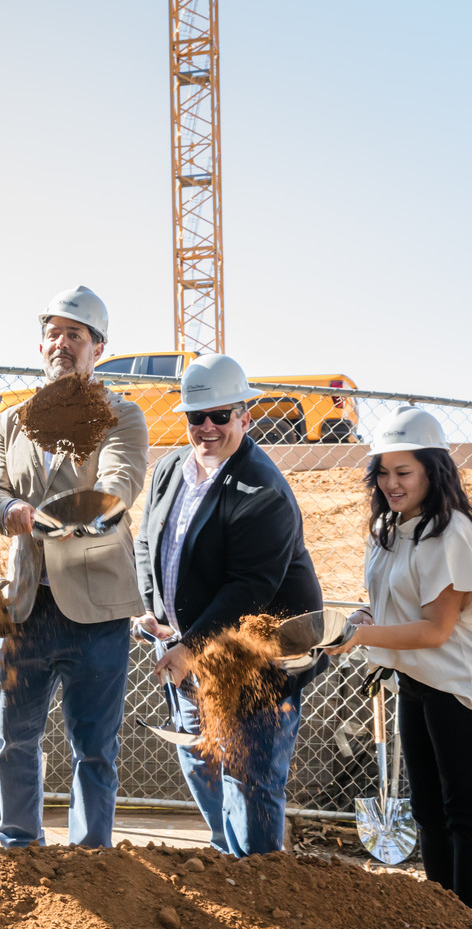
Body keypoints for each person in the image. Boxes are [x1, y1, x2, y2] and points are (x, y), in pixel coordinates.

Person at [133, 353, 325, 857]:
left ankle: (261, 879)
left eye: (221, 415)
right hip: (190, 647)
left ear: (245, 414)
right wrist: (153, 607)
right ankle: (229, 858)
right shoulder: (169, 469)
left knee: (250, 774)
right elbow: (145, 542)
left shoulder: (263, 489)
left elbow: (250, 589)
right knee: (200, 757)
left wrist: (190, 645)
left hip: (256, 657)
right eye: (197, 417)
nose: (208, 427)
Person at [327, 406, 472, 918]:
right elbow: (395, 602)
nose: (390, 482)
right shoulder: (387, 525)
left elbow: (437, 628)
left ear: (433, 469)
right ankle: (445, 922)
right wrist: (366, 615)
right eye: (382, 471)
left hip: (462, 682)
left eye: (403, 471)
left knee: (466, 813)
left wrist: (360, 636)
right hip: (416, 675)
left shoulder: (451, 531)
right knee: (429, 809)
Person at [0, 287, 149, 848]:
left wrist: (87, 514)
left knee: (95, 747)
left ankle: (92, 858)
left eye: (74, 335)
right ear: (40, 344)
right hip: (27, 602)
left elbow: (119, 480)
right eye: (53, 333)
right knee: (13, 736)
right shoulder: (10, 421)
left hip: (96, 607)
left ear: (97, 348)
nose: (62, 344)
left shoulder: (123, 415)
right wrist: (9, 510)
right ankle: (18, 845)